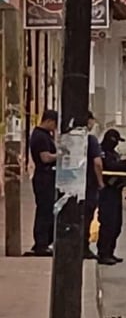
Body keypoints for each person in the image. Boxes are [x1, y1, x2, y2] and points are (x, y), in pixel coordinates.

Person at [98, 129, 126, 266]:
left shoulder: (113, 154)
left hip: (116, 191)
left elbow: (121, 172)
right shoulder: (102, 152)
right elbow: (110, 167)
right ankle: (103, 254)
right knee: (108, 224)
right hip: (106, 192)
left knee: (116, 225)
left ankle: (110, 252)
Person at [27, 109, 59, 257]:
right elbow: (45, 157)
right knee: (44, 211)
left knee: (48, 210)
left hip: (48, 177)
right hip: (43, 177)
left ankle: (44, 242)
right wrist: (61, 155)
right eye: (55, 124)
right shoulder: (40, 137)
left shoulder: (45, 135)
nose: (55, 128)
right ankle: (41, 243)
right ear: (49, 121)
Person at [83, 113, 104, 260]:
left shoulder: (68, 138)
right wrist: (101, 182)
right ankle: (84, 246)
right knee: (87, 216)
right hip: (89, 184)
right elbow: (97, 163)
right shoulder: (91, 140)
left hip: (72, 184)